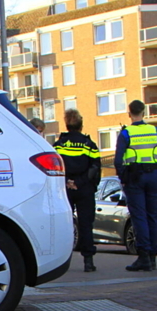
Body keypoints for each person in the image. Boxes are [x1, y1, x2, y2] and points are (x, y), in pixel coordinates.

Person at [114, 99, 157, 271]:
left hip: (135, 177)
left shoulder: (126, 133)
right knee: (153, 215)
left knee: (139, 216)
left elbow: (118, 160)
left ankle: (143, 256)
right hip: (153, 175)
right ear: (143, 112)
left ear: (129, 113)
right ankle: (153, 256)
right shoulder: (156, 131)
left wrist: (123, 178)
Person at [54, 109, 102, 272]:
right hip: (84, 189)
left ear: (66, 124)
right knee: (86, 224)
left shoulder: (59, 145)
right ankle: (88, 261)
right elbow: (95, 167)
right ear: (81, 125)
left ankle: (61, 261)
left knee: (65, 225)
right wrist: (80, 183)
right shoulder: (89, 144)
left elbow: (55, 166)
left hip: (64, 189)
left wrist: (67, 181)